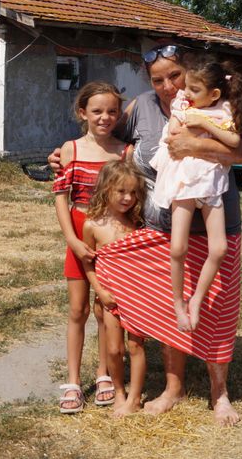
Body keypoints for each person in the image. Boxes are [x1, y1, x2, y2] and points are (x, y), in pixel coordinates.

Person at [48, 44, 242, 425]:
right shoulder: (140, 107)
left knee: (218, 306)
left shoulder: (212, 104)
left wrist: (197, 143)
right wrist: (62, 154)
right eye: (158, 80)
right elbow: (104, 137)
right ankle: (173, 388)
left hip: (215, 216)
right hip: (159, 226)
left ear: (189, 72)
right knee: (166, 307)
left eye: (175, 76)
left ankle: (218, 392)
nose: (169, 86)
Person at [148, 60, 242, 334]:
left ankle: (197, 300)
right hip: (184, 183)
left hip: (211, 184)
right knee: (178, 248)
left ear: (214, 94)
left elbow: (235, 142)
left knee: (220, 249)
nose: (185, 92)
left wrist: (204, 122)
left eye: (194, 88)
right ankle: (178, 303)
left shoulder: (224, 109)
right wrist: (191, 122)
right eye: (187, 87)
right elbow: (173, 135)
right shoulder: (183, 105)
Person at [51, 81, 130, 414]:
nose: (105, 117)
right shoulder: (70, 149)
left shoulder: (125, 152)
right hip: (80, 235)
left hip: (113, 241)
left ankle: (103, 375)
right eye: (97, 111)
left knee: (106, 310)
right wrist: (71, 239)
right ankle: (72, 380)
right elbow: (60, 197)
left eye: (112, 111)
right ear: (82, 113)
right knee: (78, 310)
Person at [80, 160, 147, 417]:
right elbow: (88, 266)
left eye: (133, 192)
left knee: (136, 347)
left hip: (136, 296)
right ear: (106, 188)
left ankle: (136, 395)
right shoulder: (92, 225)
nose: (128, 198)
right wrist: (100, 291)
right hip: (110, 298)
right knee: (114, 349)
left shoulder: (137, 222)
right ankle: (119, 391)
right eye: (121, 191)